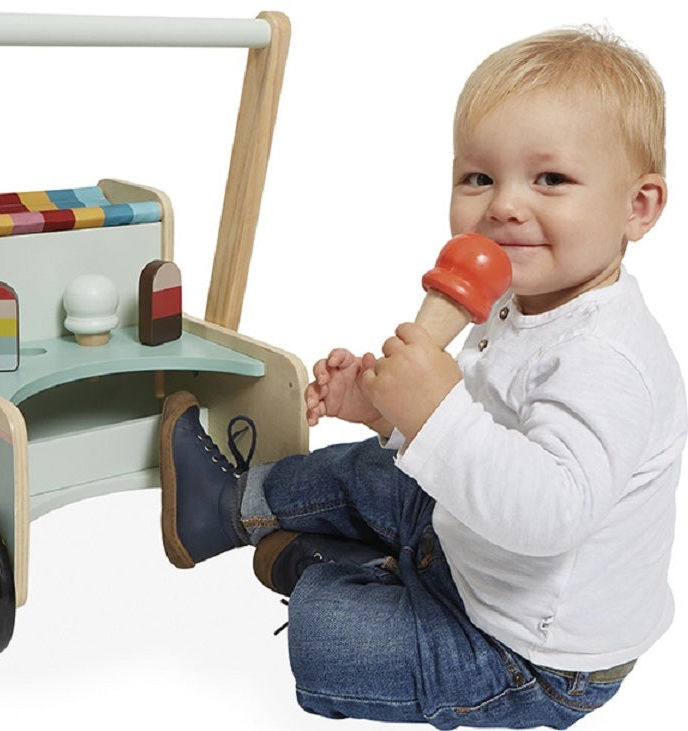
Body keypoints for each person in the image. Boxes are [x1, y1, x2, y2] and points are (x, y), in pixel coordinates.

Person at [158, 26, 686, 730]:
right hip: (471, 545)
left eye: (550, 179)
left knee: (327, 637)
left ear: (638, 207)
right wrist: (383, 407)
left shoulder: (606, 360)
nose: (503, 204)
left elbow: (549, 513)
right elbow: (478, 420)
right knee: (366, 468)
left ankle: (331, 572)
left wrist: (434, 412)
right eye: (479, 177)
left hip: (531, 651)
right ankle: (225, 507)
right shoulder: (515, 299)